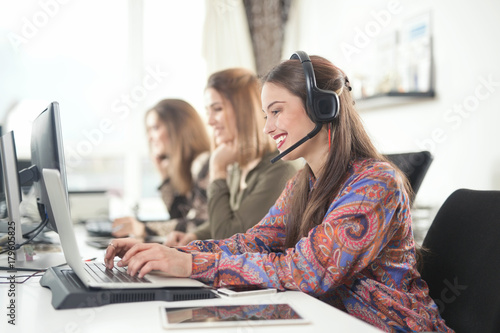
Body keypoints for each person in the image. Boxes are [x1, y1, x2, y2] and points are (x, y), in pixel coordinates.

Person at [104, 53, 452, 332]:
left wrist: (191, 263)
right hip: (330, 320)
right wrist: (169, 252)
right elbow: (251, 241)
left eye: (276, 112)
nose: (268, 128)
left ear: (322, 107)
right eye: (265, 115)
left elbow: (307, 271)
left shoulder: (376, 184)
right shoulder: (303, 183)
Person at [165, 68, 302, 246]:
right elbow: (230, 219)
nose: (210, 121)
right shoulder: (239, 167)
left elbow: (229, 237)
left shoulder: (280, 171)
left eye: (217, 109)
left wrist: (217, 169)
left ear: (244, 112)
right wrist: (194, 236)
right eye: (208, 111)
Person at [111, 99, 211, 239]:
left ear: (179, 128)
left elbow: (200, 224)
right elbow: (178, 216)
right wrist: (165, 176)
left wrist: (146, 229)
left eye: (155, 128)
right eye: (148, 130)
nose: (150, 137)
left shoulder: (203, 164)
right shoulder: (188, 168)